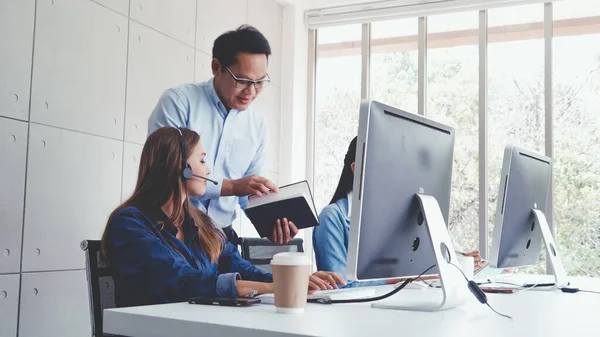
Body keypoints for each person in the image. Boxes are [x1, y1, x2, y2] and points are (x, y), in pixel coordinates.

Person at [101, 127, 345, 307]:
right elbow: (185, 283)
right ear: (179, 165)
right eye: (202, 160)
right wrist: (277, 287)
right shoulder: (130, 223)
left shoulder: (202, 223)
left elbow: (242, 269)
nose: (208, 170)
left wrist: (299, 281)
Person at [147, 25, 295, 245]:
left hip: (220, 237)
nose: (251, 91)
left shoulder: (257, 125)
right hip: (168, 233)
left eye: (260, 82)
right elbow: (166, 173)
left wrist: (271, 224)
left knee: (258, 279)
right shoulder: (178, 102)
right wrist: (232, 186)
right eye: (243, 80)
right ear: (217, 67)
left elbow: (249, 193)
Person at [313, 137, 483, 288]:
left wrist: (460, 261)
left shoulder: (399, 215)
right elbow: (340, 285)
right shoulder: (332, 218)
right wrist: (408, 278)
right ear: (357, 169)